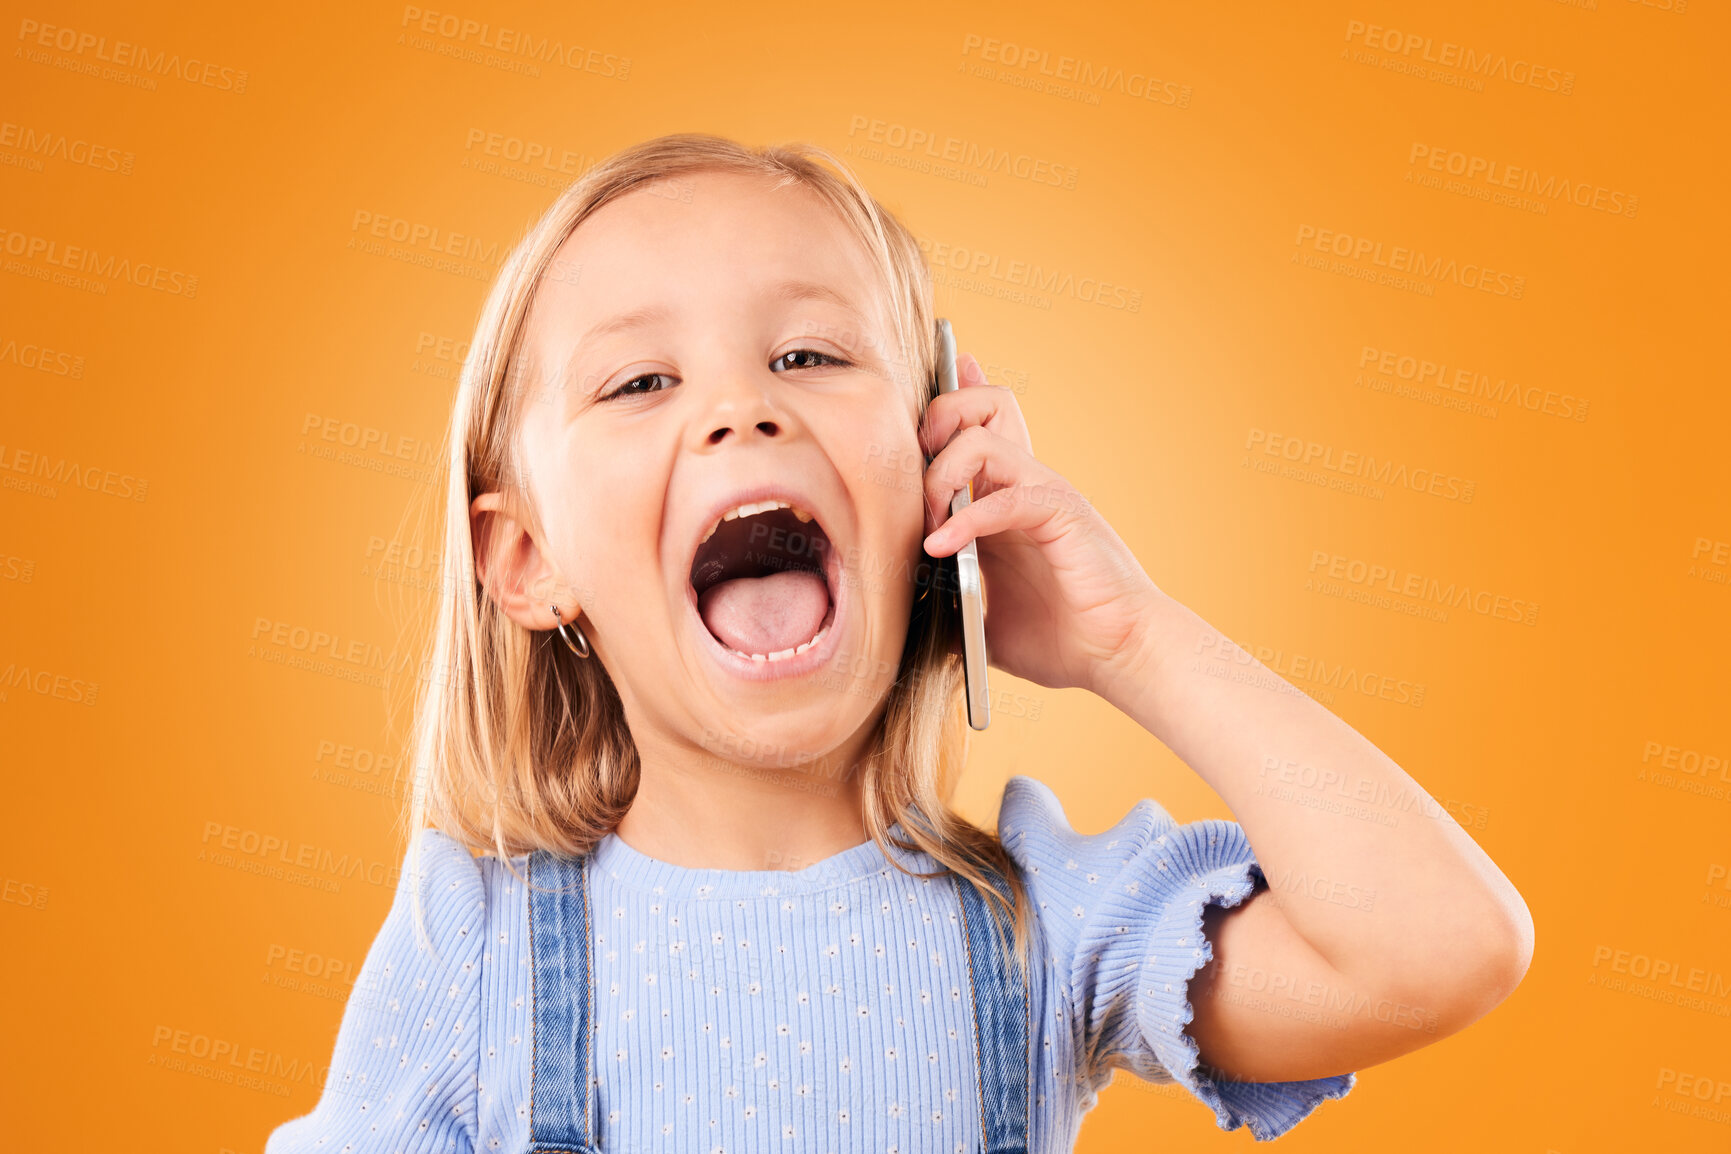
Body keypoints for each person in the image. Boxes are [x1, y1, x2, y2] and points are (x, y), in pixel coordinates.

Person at [266, 133, 1532, 1152]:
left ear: (936, 472)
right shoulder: (477, 942)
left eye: (810, 353)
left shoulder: (1048, 923)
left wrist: (1128, 639)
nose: (741, 407)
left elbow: (1440, 945)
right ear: (528, 560)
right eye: (640, 381)